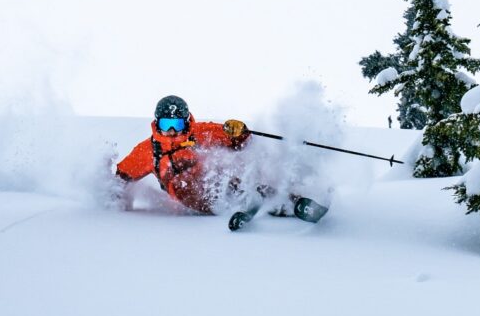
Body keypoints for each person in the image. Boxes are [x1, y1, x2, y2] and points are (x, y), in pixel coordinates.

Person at [114, 95, 328, 228]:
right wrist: (111, 195)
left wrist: (238, 131)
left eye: (177, 124)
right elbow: (121, 177)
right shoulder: (148, 151)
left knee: (234, 177)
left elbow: (239, 141)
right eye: (166, 124)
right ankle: (259, 198)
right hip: (192, 200)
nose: (171, 131)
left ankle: (293, 201)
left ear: (186, 122)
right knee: (190, 181)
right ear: (156, 123)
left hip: (219, 185)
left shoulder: (201, 132)